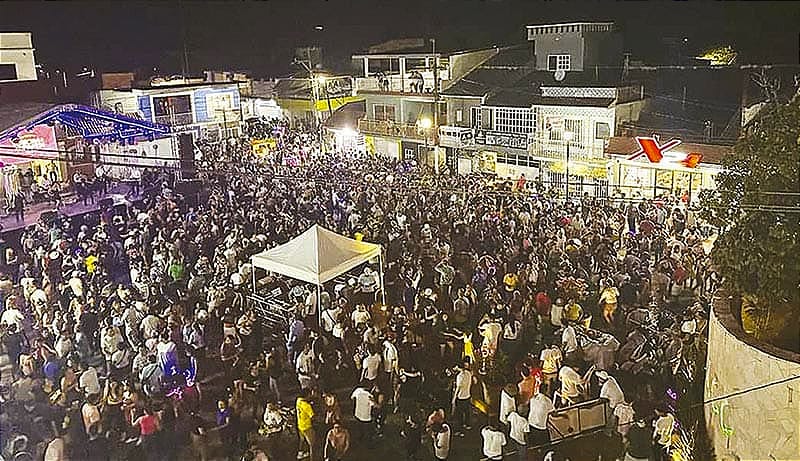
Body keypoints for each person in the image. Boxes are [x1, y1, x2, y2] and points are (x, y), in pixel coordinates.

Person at [451, 360, 474, 436]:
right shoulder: (468, 373)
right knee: (467, 412)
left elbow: (458, 388)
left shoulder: (460, 376)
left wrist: (454, 399)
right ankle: (468, 425)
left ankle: (460, 431)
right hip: (467, 395)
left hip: (461, 397)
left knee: (459, 415)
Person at [296, 389, 316, 460]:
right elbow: (313, 416)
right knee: (312, 444)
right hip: (307, 427)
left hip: (299, 425)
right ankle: (312, 458)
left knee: (302, 440)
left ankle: (300, 453)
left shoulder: (298, 400)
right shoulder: (307, 406)